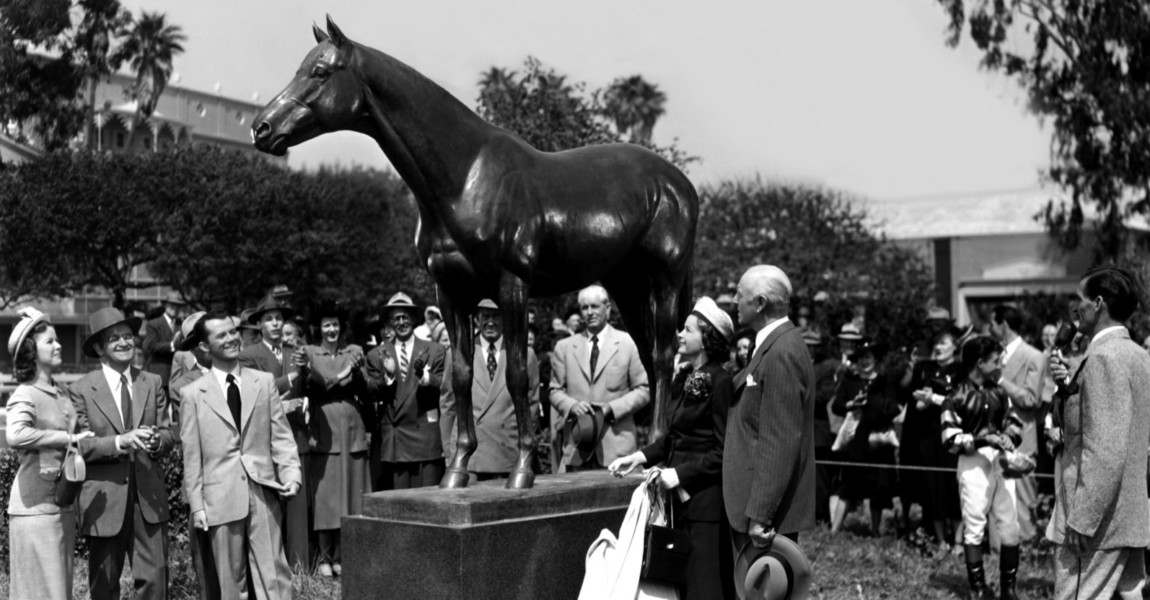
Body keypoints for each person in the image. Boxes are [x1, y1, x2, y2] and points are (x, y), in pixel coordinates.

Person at [608, 297, 735, 600]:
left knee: (704, 586)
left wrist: (677, 475)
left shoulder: (720, 381)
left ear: (706, 338)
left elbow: (723, 450)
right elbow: (671, 438)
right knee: (680, 583)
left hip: (704, 504)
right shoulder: (685, 377)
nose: (680, 334)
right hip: (677, 500)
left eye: (688, 330)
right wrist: (637, 457)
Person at [180, 312, 301, 600]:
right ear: (205, 346)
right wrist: (197, 507)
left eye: (233, 331)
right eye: (221, 335)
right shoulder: (193, 394)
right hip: (219, 498)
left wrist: (291, 473)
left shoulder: (263, 382)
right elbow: (192, 456)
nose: (231, 338)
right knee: (230, 582)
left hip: (264, 493)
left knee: (275, 575)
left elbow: (281, 437)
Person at [1048, 266, 1150, 599]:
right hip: (1126, 520)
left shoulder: (1104, 358)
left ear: (1099, 303)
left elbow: (1105, 448)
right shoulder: (1137, 355)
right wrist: (1067, 386)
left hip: (1095, 528)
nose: (1075, 307)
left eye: (1080, 299)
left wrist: (1083, 518)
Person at [69, 307, 174, 600]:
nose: (124, 342)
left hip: (149, 499)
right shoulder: (80, 389)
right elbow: (81, 445)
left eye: (128, 336)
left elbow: (168, 433)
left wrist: (156, 441)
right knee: (104, 586)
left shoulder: (151, 382)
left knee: (155, 583)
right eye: (114, 338)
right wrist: (120, 442)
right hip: (104, 501)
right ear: (100, 348)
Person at [722, 265, 815, 551]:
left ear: (760, 303)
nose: (734, 302)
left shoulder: (781, 352)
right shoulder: (771, 346)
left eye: (740, 295)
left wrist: (761, 514)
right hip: (753, 509)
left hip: (764, 520)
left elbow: (779, 441)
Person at [5, 308, 93, 600]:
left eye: (58, 340)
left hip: (62, 504)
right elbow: (15, 434)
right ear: (31, 351)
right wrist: (64, 437)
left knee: (59, 592)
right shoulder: (26, 394)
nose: (59, 346)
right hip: (34, 509)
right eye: (50, 342)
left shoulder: (61, 392)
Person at [941, 336, 1023, 600]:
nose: (999, 364)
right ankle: (978, 589)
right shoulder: (955, 396)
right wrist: (980, 440)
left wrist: (1010, 436)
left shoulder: (999, 391)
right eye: (996, 360)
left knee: (1010, 526)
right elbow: (949, 438)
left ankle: (1008, 590)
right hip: (972, 463)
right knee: (974, 524)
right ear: (980, 362)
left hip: (1000, 461)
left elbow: (1014, 422)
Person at [237, 295, 310, 571]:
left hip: (297, 436)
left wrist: (306, 370)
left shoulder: (295, 352)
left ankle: (300, 566)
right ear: (259, 325)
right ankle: (271, 566)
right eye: (269, 319)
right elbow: (254, 393)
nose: (276, 323)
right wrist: (288, 383)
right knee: (270, 507)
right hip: (265, 440)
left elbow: (308, 387)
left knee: (297, 506)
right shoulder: (249, 355)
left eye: (279, 318)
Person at [300, 300, 368, 577]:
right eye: (326, 324)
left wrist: (356, 370)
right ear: (319, 327)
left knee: (351, 496)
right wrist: (340, 375)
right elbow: (319, 385)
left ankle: (343, 554)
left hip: (351, 428)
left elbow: (362, 386)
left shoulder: (354, 351)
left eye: (335, 324)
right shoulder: (308, 353)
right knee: (326, 498)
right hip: (323, 429)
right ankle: (324, 557)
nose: (331, 329)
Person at [549, 285, 650, 472]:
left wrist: (612, 409)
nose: (589, 312)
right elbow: (555, 390)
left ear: (608, 308)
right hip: (578, 445)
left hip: (617, 448)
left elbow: (644, 389)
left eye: (595, 306)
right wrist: (571, 406)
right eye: (584, 308)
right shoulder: (564, 347)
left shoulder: (628, 343)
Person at [364, 292, 448, 490]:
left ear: (414, 319)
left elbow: (446, 385)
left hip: (426, 440)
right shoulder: (377, 355)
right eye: (396, 318)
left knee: (429, 505)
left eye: (405, 317)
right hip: (396, 443)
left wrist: (427, 379)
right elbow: (372, 391)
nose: (401, 322)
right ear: (389, 323)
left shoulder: (435, 350)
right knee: (401, 507)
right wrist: (389, 377)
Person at [449, 299, 540, 479]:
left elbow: (532, 406)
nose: (491, 322)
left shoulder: (524, 354)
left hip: (510, 456)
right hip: (470, 459)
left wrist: (523, 449)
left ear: (505, 318)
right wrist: (449, 453)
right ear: (476, 319)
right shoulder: (459, 352)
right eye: (486, 316)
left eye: (496, 316)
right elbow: (448, 406)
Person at [166, 312, 220, 600]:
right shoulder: (183, 385)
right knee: (206, 558)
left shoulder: (239, 373)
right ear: (201, 345)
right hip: (206, 481)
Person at [899, 325, 964, 548]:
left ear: (955, 346)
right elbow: (914, 403)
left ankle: (957, 540)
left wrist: (934, 398)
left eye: (944, 343)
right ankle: (940, 539)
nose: (938, 348)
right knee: (933, 488)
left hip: (952, 435)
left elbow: (961, 400)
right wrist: (923, 399)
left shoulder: (961, 370)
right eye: (936, 344)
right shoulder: (924, 368)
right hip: (928, 437)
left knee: (953, 487)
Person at [829, 340, 901, 535]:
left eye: (867, 357)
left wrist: (873, 403)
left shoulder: (885, 381)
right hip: (856, 442)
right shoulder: (850, 381)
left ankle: (875, 531)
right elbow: (837, 406)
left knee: (878, 489)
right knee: (847, 487)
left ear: (875, 359)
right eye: (860, 358)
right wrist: (851, 404)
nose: (864, 362)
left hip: (878, 440)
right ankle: (835, 530)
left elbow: (894, 407)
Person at [989, 304, 1045, 542]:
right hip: (993, 437)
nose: (989, 329)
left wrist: (1000, 379)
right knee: (995, 496)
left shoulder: (1034, 356)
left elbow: (1031, 399)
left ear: (1004, 324)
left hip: (1021, 438)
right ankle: (996, 552)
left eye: (992, 323)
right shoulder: (991, 355)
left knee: (1022, 499)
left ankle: (1028, 552)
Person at [804, 329, 839, 526]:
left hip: (818, 431)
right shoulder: (795, 361)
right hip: (797, 430)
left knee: (821, 480)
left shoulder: (826, 368)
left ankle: (821, 518)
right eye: (807, 345)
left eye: (813, 346)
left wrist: (799, 392)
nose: (810, 349)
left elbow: (823, 397)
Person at [143, 292, 185, 391]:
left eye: (178, 305)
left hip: (179, 376)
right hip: (160, 375)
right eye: (172, 304)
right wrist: (172, 345)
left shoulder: (182, 325)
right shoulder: (153, 324)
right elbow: (151, 346)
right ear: (166, 305)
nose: (175, 308)